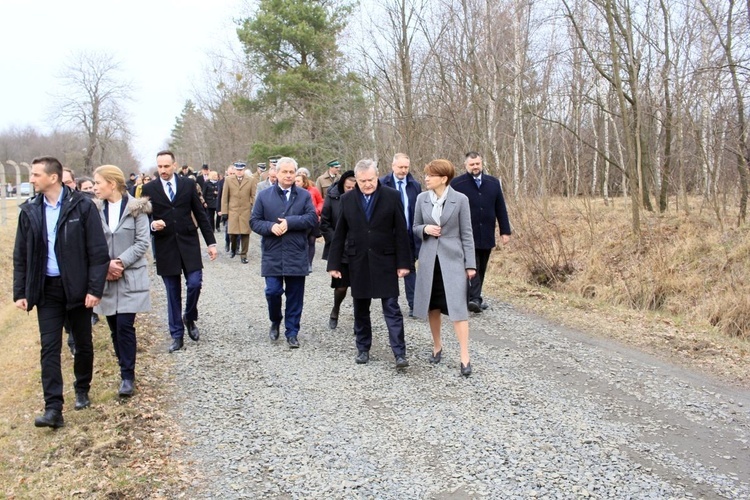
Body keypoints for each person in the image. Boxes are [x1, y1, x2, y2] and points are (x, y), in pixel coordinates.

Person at [13, 156, 109, 428]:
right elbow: (20, 255)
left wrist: (94, 289)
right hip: (47, 291)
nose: (31, 179)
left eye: (35, 175)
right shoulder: (30, 210)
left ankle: (82, 388)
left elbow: (98, 252)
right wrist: (21, 291)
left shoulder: (82, 206)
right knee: (50, 348)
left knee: (83, 343)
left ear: (52, 177)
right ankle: (53, 408)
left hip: (78, 289)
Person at [327, 159, 412, 369]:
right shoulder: (347, 199)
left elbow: (401, 231)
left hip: (385, 259)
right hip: (358, 261)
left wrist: (404, 263)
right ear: (357, 180)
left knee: (391, 307)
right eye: (363, 181)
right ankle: (363, 348)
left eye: (371, 180)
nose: (367, 184)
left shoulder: (391, 196)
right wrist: (334, 264)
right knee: (361, 308)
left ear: (377, 176)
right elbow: (339, 234)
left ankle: (399, 353)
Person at [141, 150, 218, 353]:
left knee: (195, 283)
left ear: (174, 165)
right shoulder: (149, 188)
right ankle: (176, 335)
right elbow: (142, 218)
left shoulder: (187, 185)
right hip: (165, 246)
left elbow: (200, 214)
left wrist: (211, 243)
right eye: (160, 167)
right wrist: (151, 224)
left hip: (188, 241)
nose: (163, 170)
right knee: (172, 292)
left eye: (166, 166)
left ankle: (190, 316)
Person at [92, 165, 152, 396]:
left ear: (112, 183)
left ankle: (128, 376)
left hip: (129, 276)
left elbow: (141, 242)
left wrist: (120, 262)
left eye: (98, 183)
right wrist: (105, 265)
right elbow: (92, 242)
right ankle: (122, 366)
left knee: (125, 326)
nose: (95, 187)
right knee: (114, 327)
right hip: (105, 277)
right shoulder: (95, 210)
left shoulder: (136, 209)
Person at [413, 159, 477, 376]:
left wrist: (470, 265)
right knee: (433, 307)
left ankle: (464, 356)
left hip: (454, 261)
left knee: (458, 308)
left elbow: (467, 233)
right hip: (430, 261)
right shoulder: (422, 199)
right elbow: (414, 227)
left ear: (443, 178)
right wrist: (425, 229)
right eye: (426, 174)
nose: (426, 178)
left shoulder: (460, 200)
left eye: (431, 175)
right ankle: (437, 346)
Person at [250, 157, 317, 348]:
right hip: (273, 251)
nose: (288, 175)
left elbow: (312, 218)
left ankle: (292, 332)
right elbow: (254, 221)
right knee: (273, 291)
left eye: (291, 172)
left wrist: (291, 222)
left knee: (295, 295)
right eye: (284, 172)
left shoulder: (304, 195)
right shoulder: (264, 196)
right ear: (276, 173)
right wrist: (271, 227)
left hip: (296, 251)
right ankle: (275, 319)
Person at [450, 151, 511, 312]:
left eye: (477, 164)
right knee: (472, 265)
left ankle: (471, 297)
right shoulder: (457, 184)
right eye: (472, 164)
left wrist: (505, 231)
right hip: (465, 235)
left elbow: (500, 208)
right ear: (466, 165)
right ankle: (475, 299)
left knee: (481, 266)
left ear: (481, 164)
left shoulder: (493, 183)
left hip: (487, 233)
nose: (475, 167)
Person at [380, 153, 422, 316]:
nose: (403, 170)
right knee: (389, 270)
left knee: (410, 269)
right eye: (400, 167)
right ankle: (391, 305)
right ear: (393, 166)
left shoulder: (414, 185)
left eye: (406, 167)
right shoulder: (382, 183)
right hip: (388, 234)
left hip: (409, 234)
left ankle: (414, 305)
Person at [320, 170, 356, 329]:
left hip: (359, 247)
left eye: (354, 187)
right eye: (348, 186)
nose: (351, 189)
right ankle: (336, 309)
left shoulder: (365, 197)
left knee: (360, 286)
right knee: (341, 286)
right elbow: (325, 223)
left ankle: (359, 319)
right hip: (340, 247)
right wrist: (336, 241)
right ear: (342, 185)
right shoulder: (332, 196)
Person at [221, 161, 257, 264]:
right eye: (237, 170)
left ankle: (244, 255)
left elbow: (253, 195)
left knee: (245, 234)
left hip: (245, 210)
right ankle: (233, 248)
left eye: (241, 170)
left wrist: (254, 209)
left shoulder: (250, 180)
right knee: (232, 233)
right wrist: (224, 211)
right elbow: (225, 197)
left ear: (244, 170)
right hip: (233, 210)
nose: (239, 172)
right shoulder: (228, 180)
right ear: (235, 170)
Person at [295, 172, 323, 269]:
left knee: (312, 241)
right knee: (302, 241)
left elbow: (321, 202)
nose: (296, 183)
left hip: (313, 219)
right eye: (295, 181)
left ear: (304, 182)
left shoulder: (313, 190)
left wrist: (318, 211)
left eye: (298, 181)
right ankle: (301, 261)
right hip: (301, 219)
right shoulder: (294, 192)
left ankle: (309, 264)